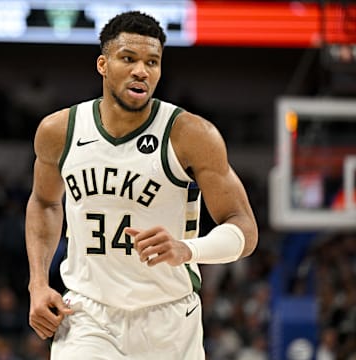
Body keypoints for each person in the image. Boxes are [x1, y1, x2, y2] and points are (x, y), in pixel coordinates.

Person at [25, 10, 258, 360]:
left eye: (153, 62)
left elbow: (244, 229)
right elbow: (44, 203)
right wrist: (38, 285)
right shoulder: (59, 131)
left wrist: (187, 249)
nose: (141, 70)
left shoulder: (192, 135)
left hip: (170, 318)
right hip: (88, 314)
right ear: (103, 64)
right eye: (128, 58)